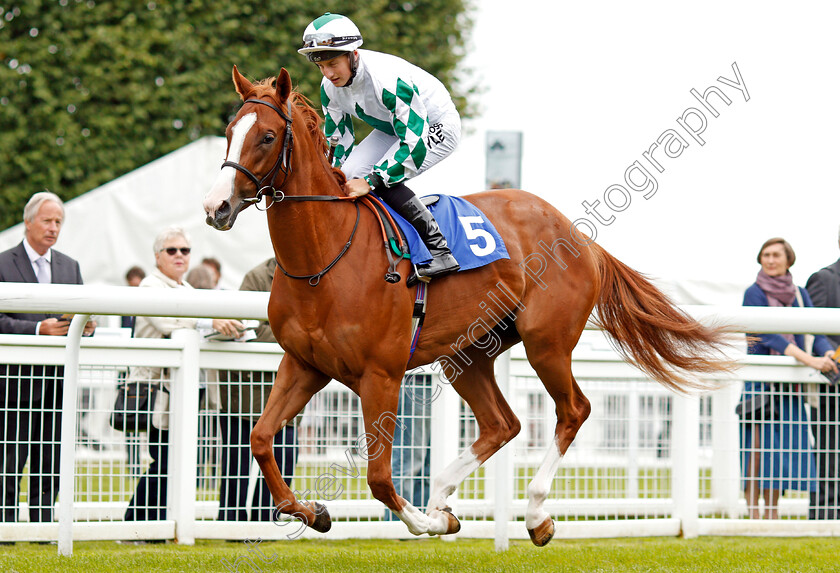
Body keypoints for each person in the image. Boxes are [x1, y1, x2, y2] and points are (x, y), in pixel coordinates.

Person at [298, 12, 461, 283]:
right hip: (392, 128)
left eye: (333, 63)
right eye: (320, 66)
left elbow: (414, 142)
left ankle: (440, 250)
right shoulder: (329, 87)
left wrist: (373, 180)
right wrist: (336, 177)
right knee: (349, 175)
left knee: (380, 178)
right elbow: (339, 142)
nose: (327, 73)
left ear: (352, 54)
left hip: (434, 124)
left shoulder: (386, 79)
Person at [124, 226, 242, 521]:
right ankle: (137, 523)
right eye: (172, 250)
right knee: (162, 458)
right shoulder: (150, 286)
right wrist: (210, 322)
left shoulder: (187, 291)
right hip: (155, 390)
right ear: (157, 256)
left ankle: (153, 525)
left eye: (185, 250)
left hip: (180, 390)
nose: (179, 256)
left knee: (172, 458)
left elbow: (188, 325)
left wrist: (220, 327)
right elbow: (168, 325)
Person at [0, 191, 96, 524]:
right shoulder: (2, 262)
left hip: (58, 381)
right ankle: (5, 522)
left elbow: (79, 318)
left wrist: (86, 325)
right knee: (10, 456)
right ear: (27, 222)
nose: (53, 228)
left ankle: (42, 523)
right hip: (14, 382)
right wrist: (38, 329)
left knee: (51, 455)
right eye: (47, 220)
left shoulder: (70, 266)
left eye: (58, 222)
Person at [739, 237, 838, 519]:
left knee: (778, 452)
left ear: (788, 260)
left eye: (775, 255)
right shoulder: (753, 292)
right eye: (765, 255)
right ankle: (754, 516)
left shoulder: (800, 294)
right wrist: (809, 360)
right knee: (756, 450)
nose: (769, 260)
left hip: (790, 387)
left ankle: (771, 514)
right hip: (761, 384)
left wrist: (828, 354)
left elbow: (814, 332)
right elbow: (768, 334)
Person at [217, 258, 298, 521]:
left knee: (282, 462)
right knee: (236, 468)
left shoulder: (310, 272)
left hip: (286, 395)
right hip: (245, 395)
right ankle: (231, 523)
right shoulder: (256, 277)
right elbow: (248, 329)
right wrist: (298, 335)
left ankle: (269, 522)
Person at [805, 230, 840, 519]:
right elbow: (814, 330)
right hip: (833, 383)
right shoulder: (824, 279)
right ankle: (826, 516)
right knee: (830, 449)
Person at [385, 374, 432, 521]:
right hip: (417, 383)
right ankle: (397, 524)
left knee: (427, 466)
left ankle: (419, 522)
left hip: (431, 385)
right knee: (409, 461)